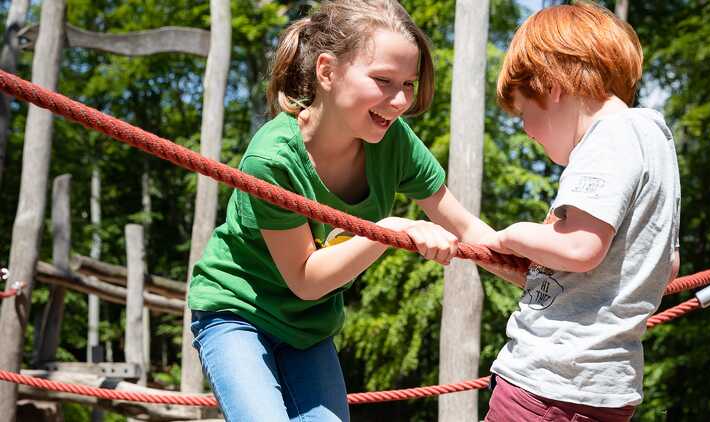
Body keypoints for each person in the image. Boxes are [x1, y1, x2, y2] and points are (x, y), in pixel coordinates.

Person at [187, 1, 505, 420]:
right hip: (238, 313)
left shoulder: (396, 144)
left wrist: (534, 274)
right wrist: (391, 230)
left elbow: (468, 228)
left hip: (309, 327)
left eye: (408, 84)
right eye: (383, 80)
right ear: (326, 71)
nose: (399, 101)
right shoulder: (272, 159)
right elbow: (305, 279)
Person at [479, 2, 681, 421]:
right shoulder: (655, 142)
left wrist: (511, 236)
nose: (526, 130)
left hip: (546, 383)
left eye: (523, 113)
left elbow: (581, 248)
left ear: (551, 86)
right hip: (608, 388)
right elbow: (668, 265)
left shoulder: (606, 137)